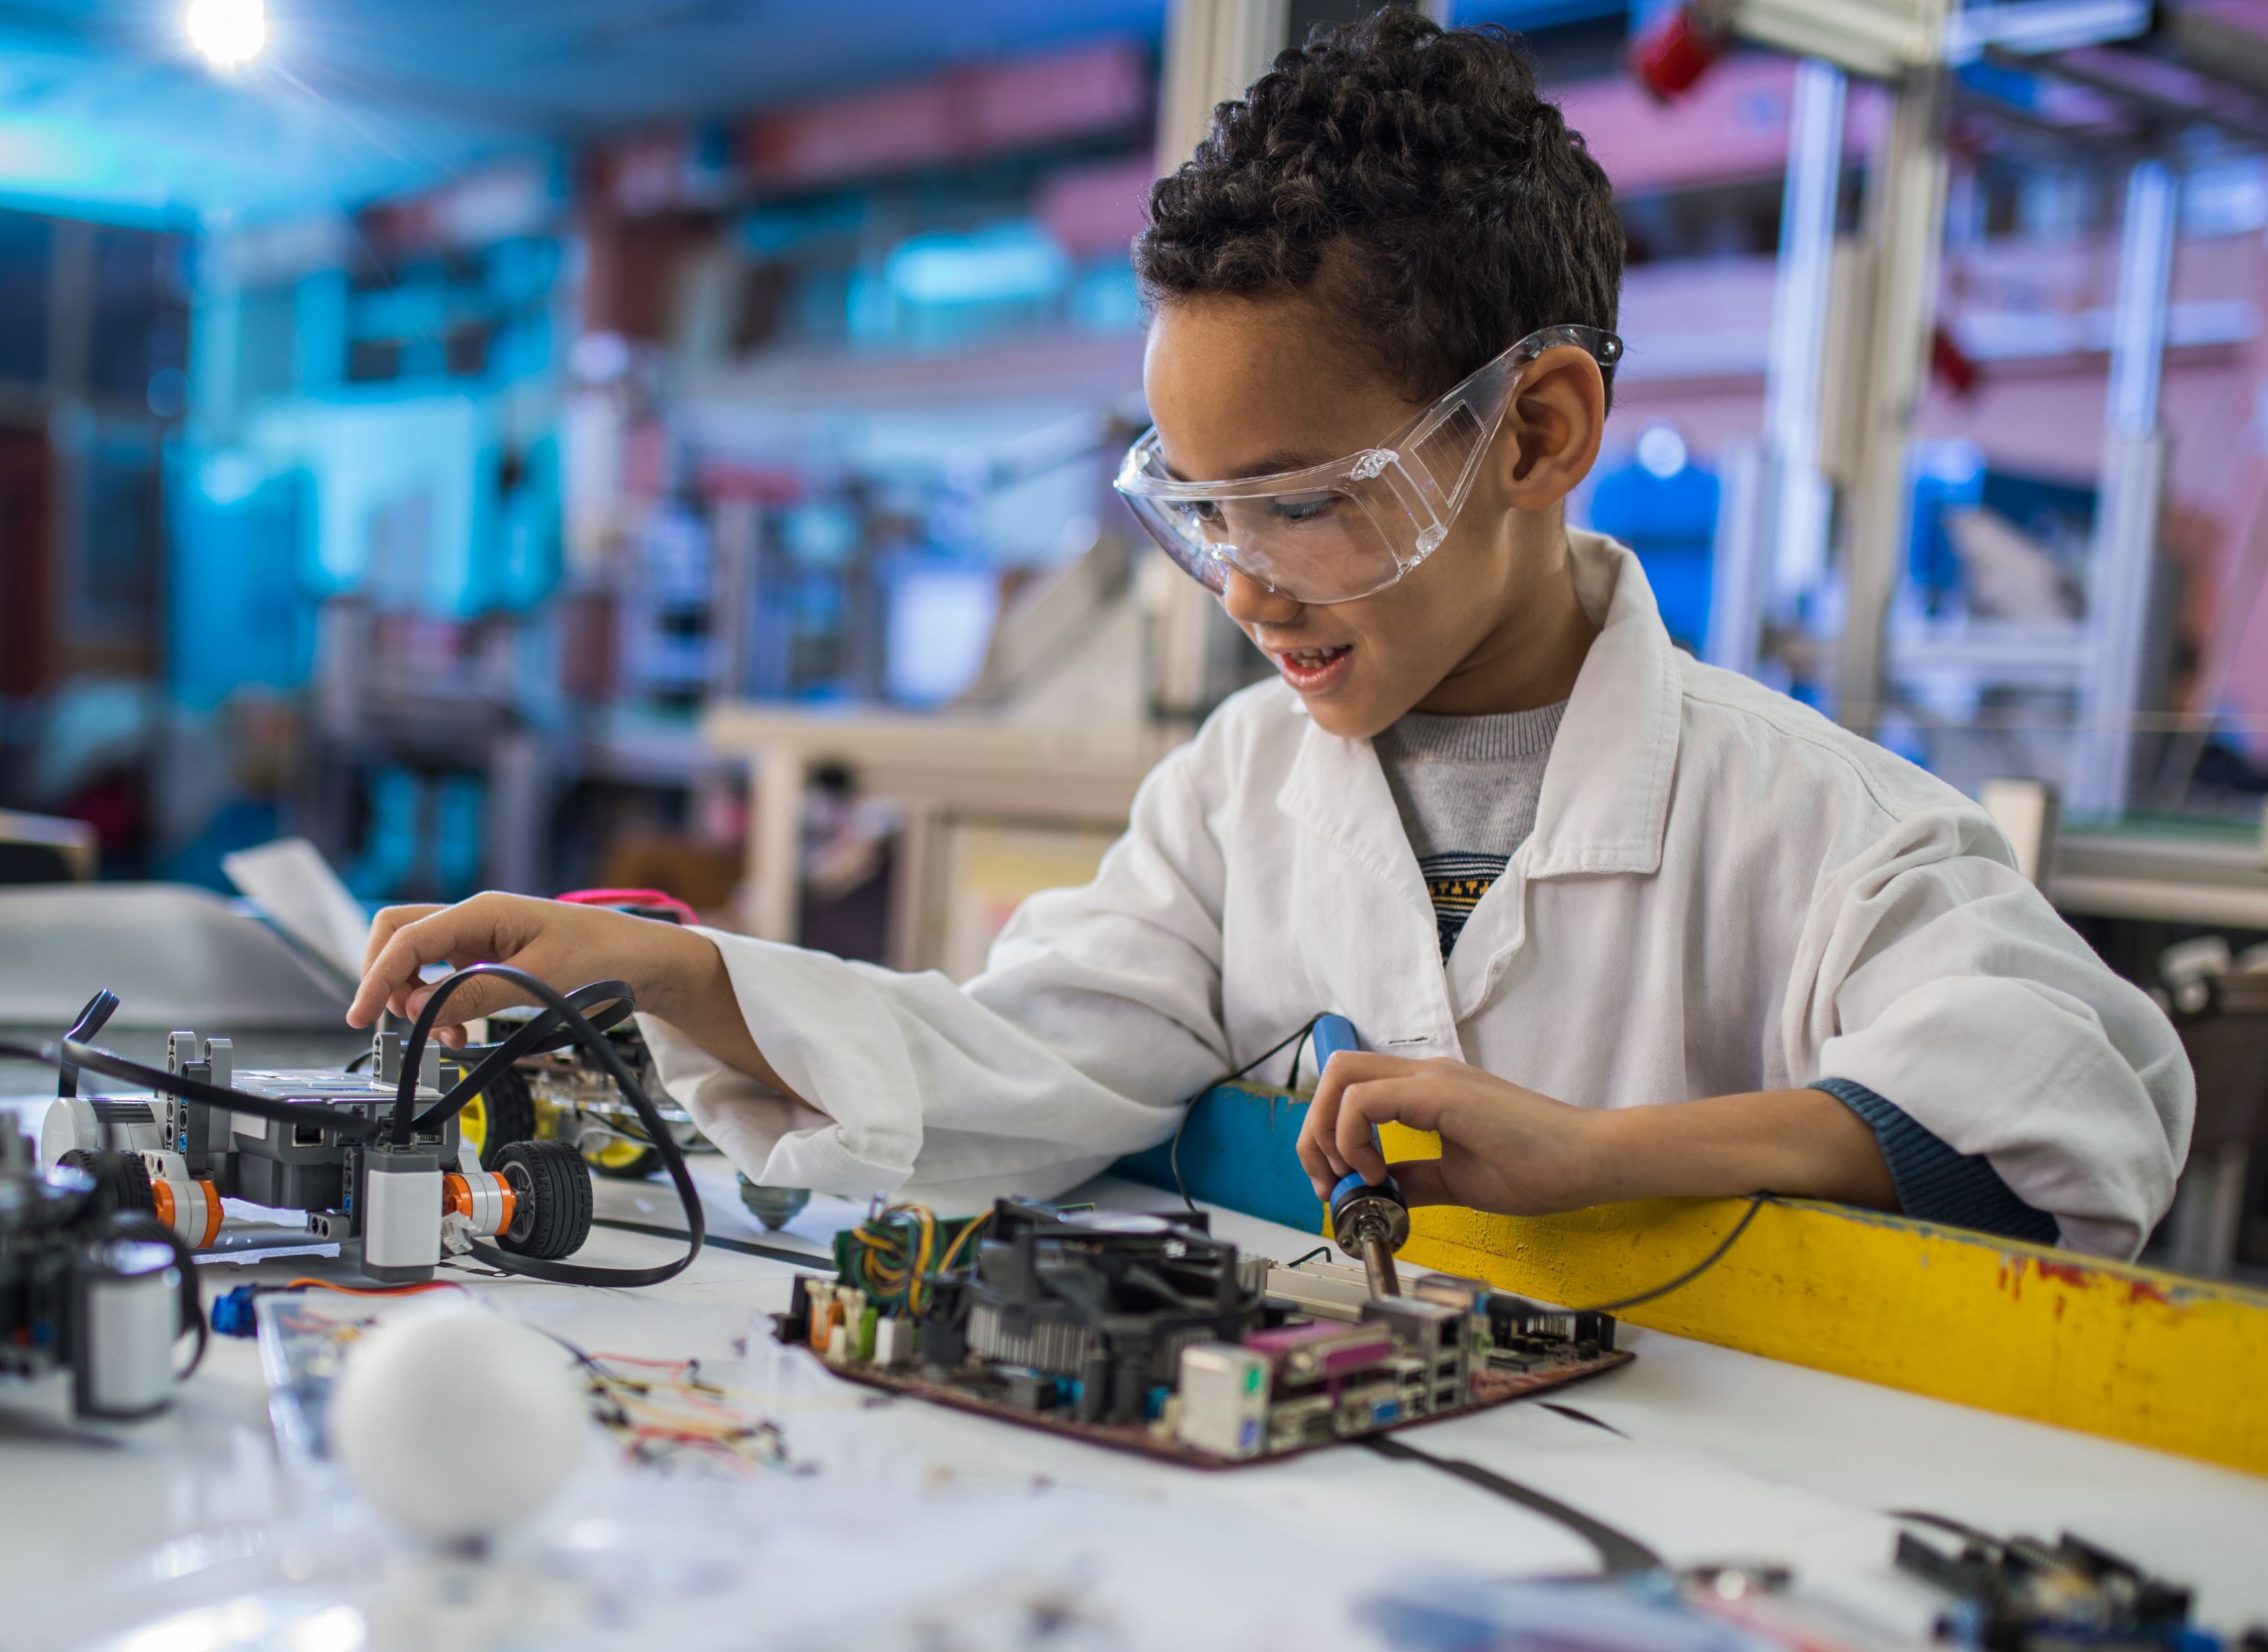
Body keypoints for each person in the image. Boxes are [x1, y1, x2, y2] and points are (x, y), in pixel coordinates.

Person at [350, 11, 2190, 1259]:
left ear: (1537, 431)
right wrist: (670, 975)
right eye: (1201, 513)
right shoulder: (1236, 793)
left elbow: (2072, 1105)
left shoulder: (1823, 826)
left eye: (1305, 503)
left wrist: (1604, 1157)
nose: (1242, 585)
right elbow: (1021, 1064)